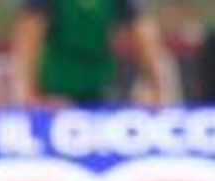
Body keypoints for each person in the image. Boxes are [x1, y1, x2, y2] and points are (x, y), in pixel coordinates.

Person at [13, 0, 166, 107]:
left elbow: (146, 40)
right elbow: (27, 45)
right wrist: (31, 97)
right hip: (55, 91)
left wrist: (157, 91)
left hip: (102, 89)